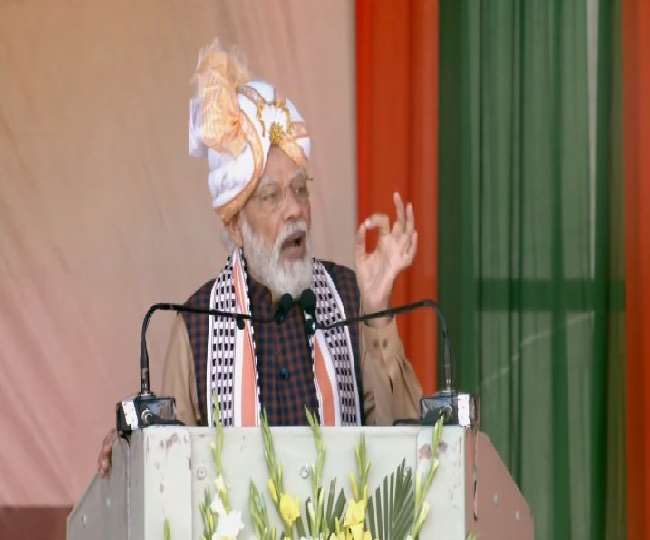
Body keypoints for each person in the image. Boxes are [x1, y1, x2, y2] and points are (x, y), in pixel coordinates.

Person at [98, 39, 422, 476]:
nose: (295, 210)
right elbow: (167, 471)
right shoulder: (198, 324)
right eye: (271, 196)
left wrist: (377, 309)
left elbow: (410, 446)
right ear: (236, 225)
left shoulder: (348, 297)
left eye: (300, 190)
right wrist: (129, 454)